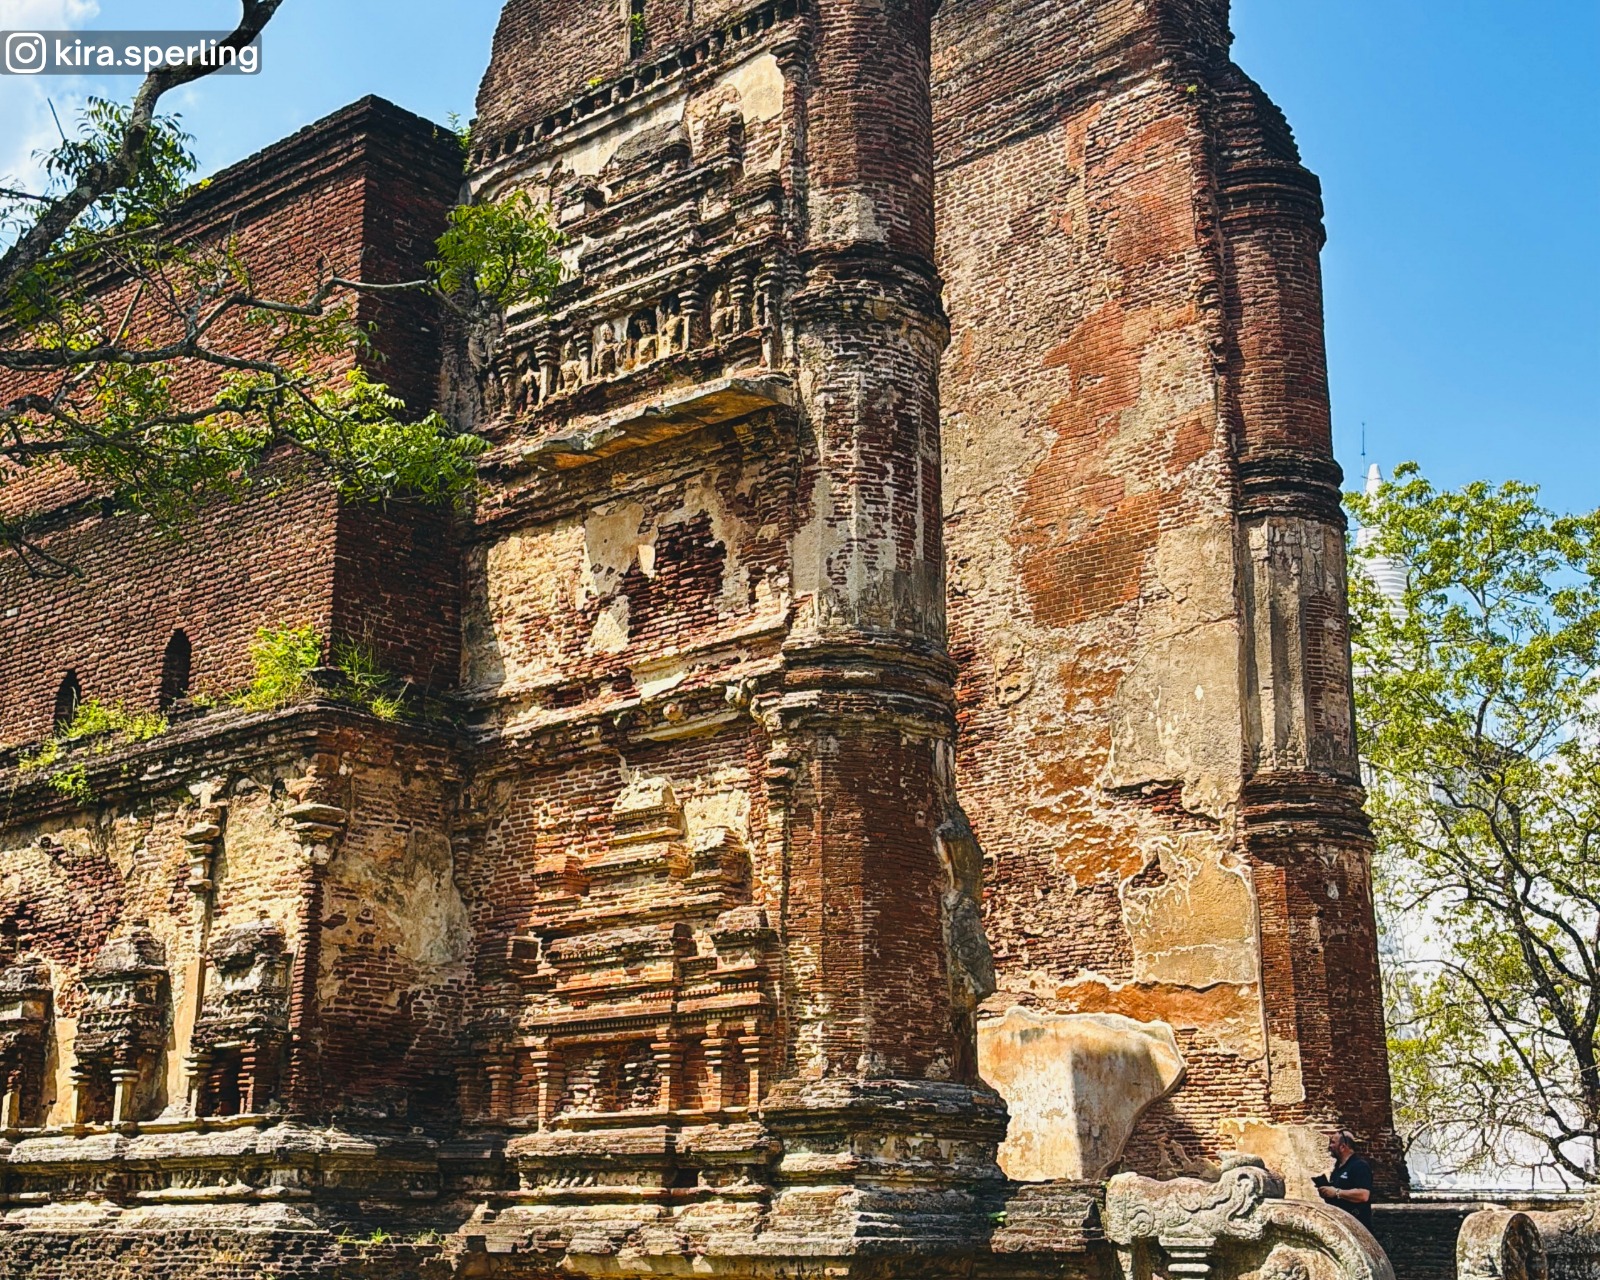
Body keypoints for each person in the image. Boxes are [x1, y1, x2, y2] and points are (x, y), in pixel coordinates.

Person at [1316, 1129, 1374, 1229]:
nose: (1330, 1146)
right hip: (1341, 1224)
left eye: (1333, 1142)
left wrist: (1336, 1192)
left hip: (1357, 1226)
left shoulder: (1359, 1166)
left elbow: (1364, 1195)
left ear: (1343, 1147)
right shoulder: (1338, 1167)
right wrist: (1327, 1192)